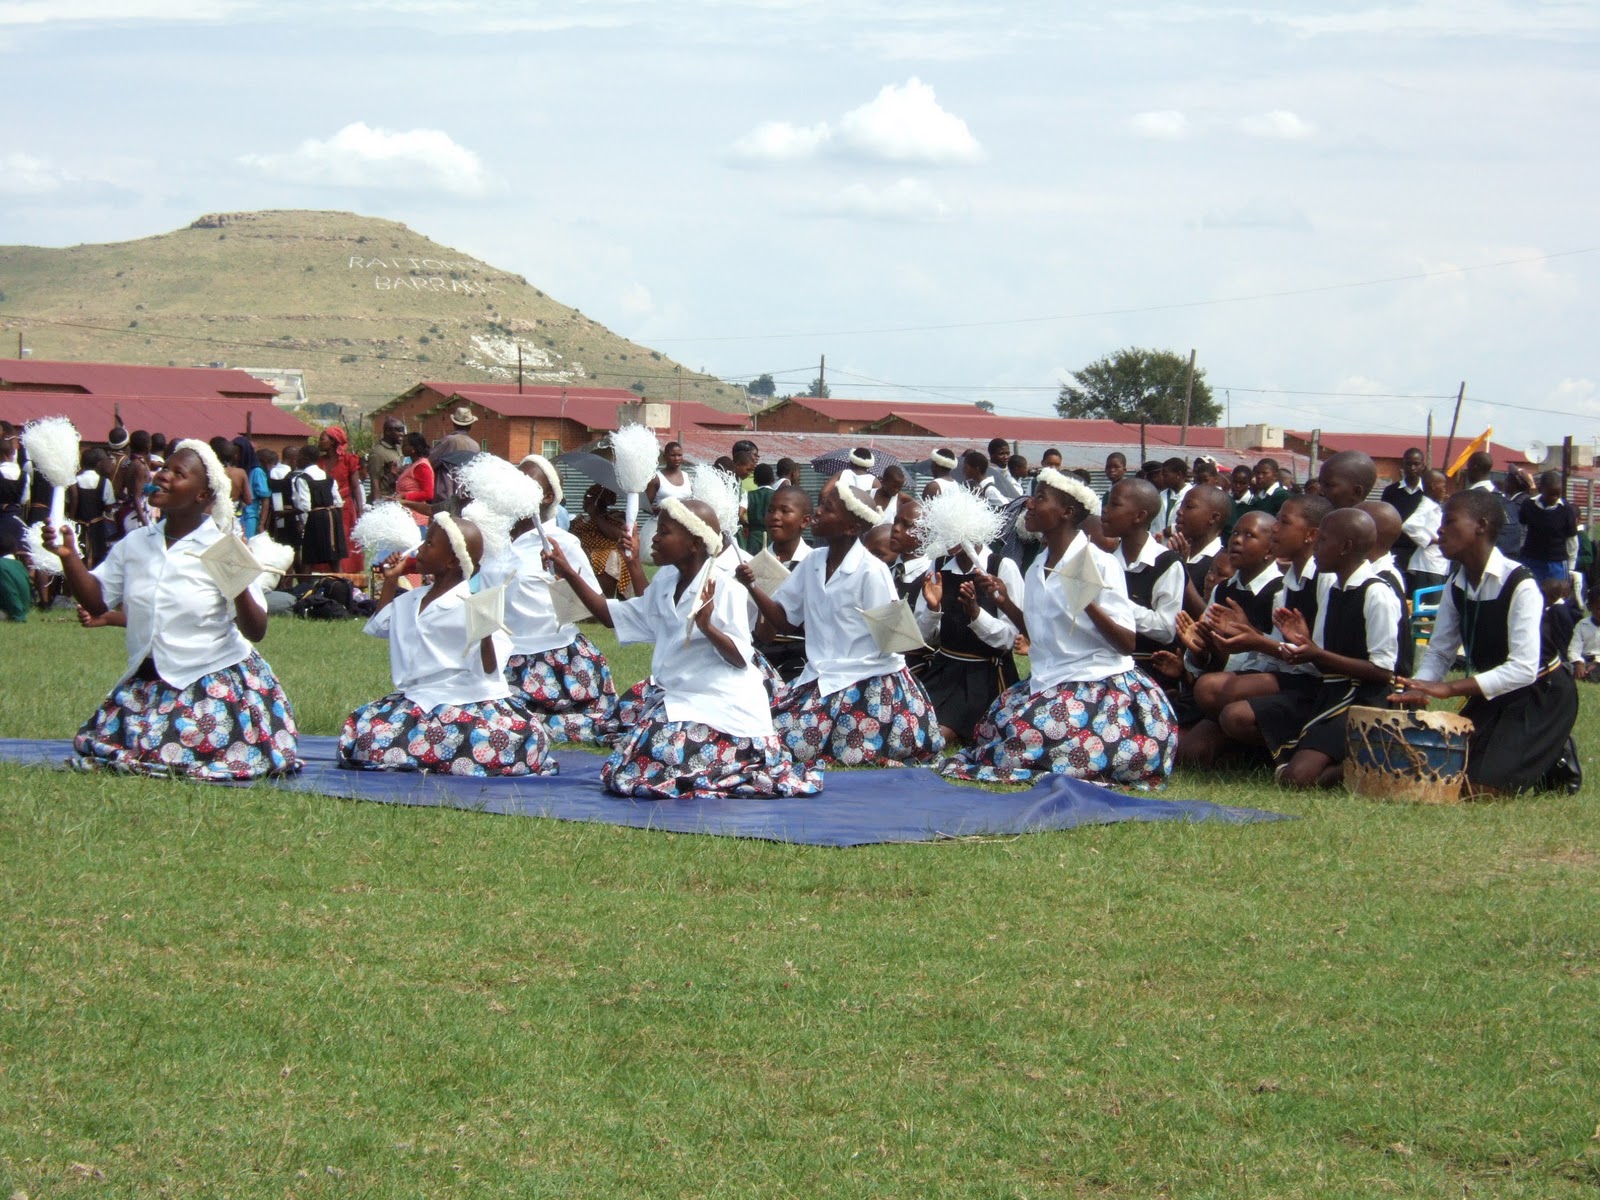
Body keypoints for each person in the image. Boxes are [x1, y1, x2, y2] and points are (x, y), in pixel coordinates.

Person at [43, 441, 301, 780]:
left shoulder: (222, 547)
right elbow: (96, 602)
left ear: (202, 495)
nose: (163, 476)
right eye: (164, 468)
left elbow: (256, 630)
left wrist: (236, 583)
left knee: (174, 748)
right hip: (149, 680)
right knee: (111, 744)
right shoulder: (136, 543)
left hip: (209, 677)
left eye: (178, 473)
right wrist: (68, 557)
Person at [548, 498, 823, 799]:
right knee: (629, 767)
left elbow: (739, 659)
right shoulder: (665, 583)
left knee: (658, 757)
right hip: (682, 701)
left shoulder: (724, 587)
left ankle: (742, 757)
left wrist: (708, 627)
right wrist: (568, 572)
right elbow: (608, 616)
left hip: (723, 709)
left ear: (694, 543)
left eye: (664, 532)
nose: (654, 538)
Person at [942, 468, 1177, 786]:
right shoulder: (1037, 566)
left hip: (1095, 683)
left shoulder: (1099, 563)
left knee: (1023, 738)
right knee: (992, 728)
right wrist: (1005, 601)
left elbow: (1126, 643)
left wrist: (1087, 602)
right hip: (1050, 680)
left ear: (1066, 512)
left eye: (1040, 498)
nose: (1029, 504)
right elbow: (1037, 635)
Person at [742, 483, 944, 767]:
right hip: (822, 676)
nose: (817, 513)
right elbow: (784, 621)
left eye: (827, 509)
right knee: (769, 734)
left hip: (866, 680)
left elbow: (894, 641)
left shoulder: (872, 571)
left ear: (851, 528)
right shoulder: (813, 562)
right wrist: (752, 586)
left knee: (794, 747)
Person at [1392, 489, 1580, 793]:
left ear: (1480, 525)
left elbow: (1523, 670)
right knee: (1442, 772)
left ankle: (1556, 753)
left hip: (1540, 694)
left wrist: (1449, 688)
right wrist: (1421, 685)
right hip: (1495, 694)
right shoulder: (1456, 584)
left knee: (1477, 789)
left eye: (1450, 521)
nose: (1440, 531)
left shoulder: (1520, 584)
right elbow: (1440, 652)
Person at [339, 515, 555, 776]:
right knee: (368, 736)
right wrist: (391, 580)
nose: (420, 549)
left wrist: (485, 632)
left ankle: (425, 753)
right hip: (418, 701)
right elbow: (379, 626)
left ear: (452, 561)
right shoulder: (409, 601)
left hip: (467, 701)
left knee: (504, 738)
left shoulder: (472, 604)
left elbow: (490, 670)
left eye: (429, 544)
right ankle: (440, 754)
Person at [1226, 509, 1401, 789]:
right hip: (1331, 692)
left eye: (1323, 541)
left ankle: (1370, 762)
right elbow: (1319, 656)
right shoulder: (1334, 590)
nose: (1315, 548)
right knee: (1295, 772)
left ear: (1345, 547)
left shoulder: (1376, 592)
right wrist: (1303, 644)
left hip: (1365, 699)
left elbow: (1383, 671)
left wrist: (1316, 653)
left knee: (1298, 778)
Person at [481, 481, 619, 745]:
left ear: (547, 496)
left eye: (527, 480)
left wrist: (565, 581)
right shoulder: (495, 540)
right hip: (503, 656)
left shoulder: (562, 542)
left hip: (555, 656)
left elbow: (597, 606)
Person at [913, 532, 1025, 746]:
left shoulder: (1001, 566)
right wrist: (933, 609)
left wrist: (976, 614)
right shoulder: (938, 565)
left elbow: (1010, 637)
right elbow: (924, 636)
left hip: (983, 675)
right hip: (943, 669)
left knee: (938, 733)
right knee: (913, 718)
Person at [1100, 478, 1184, 683]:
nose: (1105, 510)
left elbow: (1166, 630)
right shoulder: (1106, 561)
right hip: (1104, 668)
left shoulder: (1166, 564)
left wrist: (1115, 603)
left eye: (1115, 504)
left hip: (1150, 672)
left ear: (1139, 516)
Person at [751, 483, 814, 682]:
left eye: (785, 511)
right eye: (771, 510)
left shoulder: (814, 564)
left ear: (805, 521)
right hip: (758, 656)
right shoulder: (751, 564)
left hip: (804, 659)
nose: (775, 516)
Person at [318, 426, 366, 572]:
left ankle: (346, 574)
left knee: (345, 540)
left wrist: (360, 510)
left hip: (345, 509)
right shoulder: (319, 462)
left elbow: (355, 487)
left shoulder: (348, 459)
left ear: (333, 441)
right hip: (325, 507)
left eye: (322, 439)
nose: (319, 442)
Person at [572, 484, 634, 598]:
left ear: (599, 500)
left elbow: (617, 535)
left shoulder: (615, 516)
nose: (584, 499)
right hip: (581, 551)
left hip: (604, 552)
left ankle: (604, 599)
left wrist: (595, 516)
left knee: (607, 558)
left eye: (588, 496)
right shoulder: (579, 519)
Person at [292, 443, 346, 572]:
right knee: (334, 559)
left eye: (299, 456)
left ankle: (305, 584)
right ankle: (341, 582)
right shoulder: (328, 477)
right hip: (333, 517)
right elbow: (338, 502)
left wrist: (301, 522)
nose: (296, 459)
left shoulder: (302, 479)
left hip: (316, 518)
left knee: (308, 557)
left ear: (306, 459)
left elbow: (305, 506)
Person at [1519, 470, 1578, 584]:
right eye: (1551, 494)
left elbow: (1572, 541)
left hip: (1556, 564)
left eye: (1558, 494)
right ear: (1541, 489)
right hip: (1531, 560)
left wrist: (1571, 568)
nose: (1555, 497)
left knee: (1557, 593)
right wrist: (1522, 550)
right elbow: (1523, 530)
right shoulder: (1528, 505)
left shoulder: (1566, 510)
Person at [1401, 469, 1449, 595]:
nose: (1445, 490)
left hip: (1436, 563)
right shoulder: (1426, 506)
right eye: (1443, 486)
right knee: (1429, 603)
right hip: (1428, 565)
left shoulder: (1434, 506)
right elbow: (1408, 525)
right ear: (1433, 486)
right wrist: (1431, 540)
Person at [69, 446, 117, 569]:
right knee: (97, 558)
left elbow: (69, 503)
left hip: (78, 526)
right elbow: (109, 506)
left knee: (78, 556)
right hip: (97, 528)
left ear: (81, 464)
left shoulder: (73, 482)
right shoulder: (105, 482)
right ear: (97, 464)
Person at [1380, 447, 1427, 563]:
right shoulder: (1390, 491)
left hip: (1422, 551)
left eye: (1416, 464)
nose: (1412, 468)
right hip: (1396, 549)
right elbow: (1384, 520)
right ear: (1403, 465)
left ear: (1423, 466)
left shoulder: (1429, 492)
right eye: (1408, 464)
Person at [392, 431, 436, 529]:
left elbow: (428, 494)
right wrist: (396, 475)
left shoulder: (422, 466)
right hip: (407, 515)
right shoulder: (413, 464)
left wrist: (404, 496)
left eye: (405, 445)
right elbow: (410, 484)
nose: (402, 447)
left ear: (413, 449)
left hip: (416, 518)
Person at [232, 435, 270, 538]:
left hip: (249, 518)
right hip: (234, 517)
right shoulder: (235, 471)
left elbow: (265, 499)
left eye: (239, 453)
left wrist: (261, 524)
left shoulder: (256, 471)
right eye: (234, 453)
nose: (236, 457)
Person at [741, 462, 777, 553]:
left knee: (752, 561)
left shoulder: (748, 495)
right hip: (772, 536)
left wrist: (745, 525)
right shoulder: (777, 495)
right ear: (772, 479)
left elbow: (739, 514)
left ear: (755, 480)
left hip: (754, 537)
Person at [367, 417, 406, 501]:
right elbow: (375, 480)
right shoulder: (378, 452)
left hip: (397, 497)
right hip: (385, 499)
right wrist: (377, 503)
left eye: (403, 431)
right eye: (399, 431)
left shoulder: (400, 449)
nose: (402, 434)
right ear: (388, 432)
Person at [1568, 590, 1600, 681]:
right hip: (1585, 661)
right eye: (1599, 608)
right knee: (1565, 667)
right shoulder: (1582, 625)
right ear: (1589, 607)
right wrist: (1579, 663)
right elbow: (1574, 648)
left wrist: (1597, 663)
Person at [0, 526, 30, 621]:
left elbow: (9, 592)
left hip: (10, 611)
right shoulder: (19, 564)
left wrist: (18, 616)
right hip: (23, 608)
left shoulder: (1, 565)